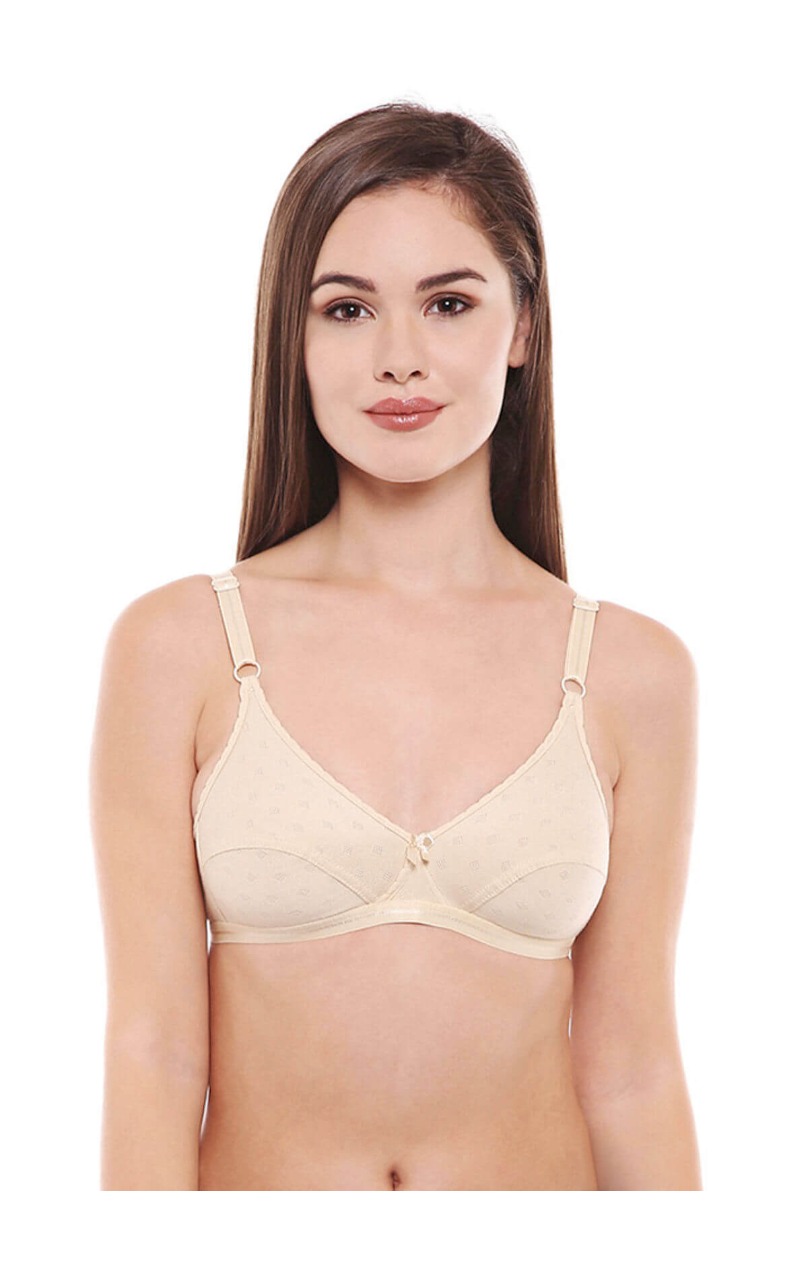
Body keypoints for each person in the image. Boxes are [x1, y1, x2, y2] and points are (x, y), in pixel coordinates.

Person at [90, 101, 702, 1191]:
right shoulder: (181, 648)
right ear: (293, 335)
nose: (398, 359)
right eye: (346, 309)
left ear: (523, 327)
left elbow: (634, 1074)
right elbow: (153, 1054)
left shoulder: (631, 673)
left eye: (448, 303)